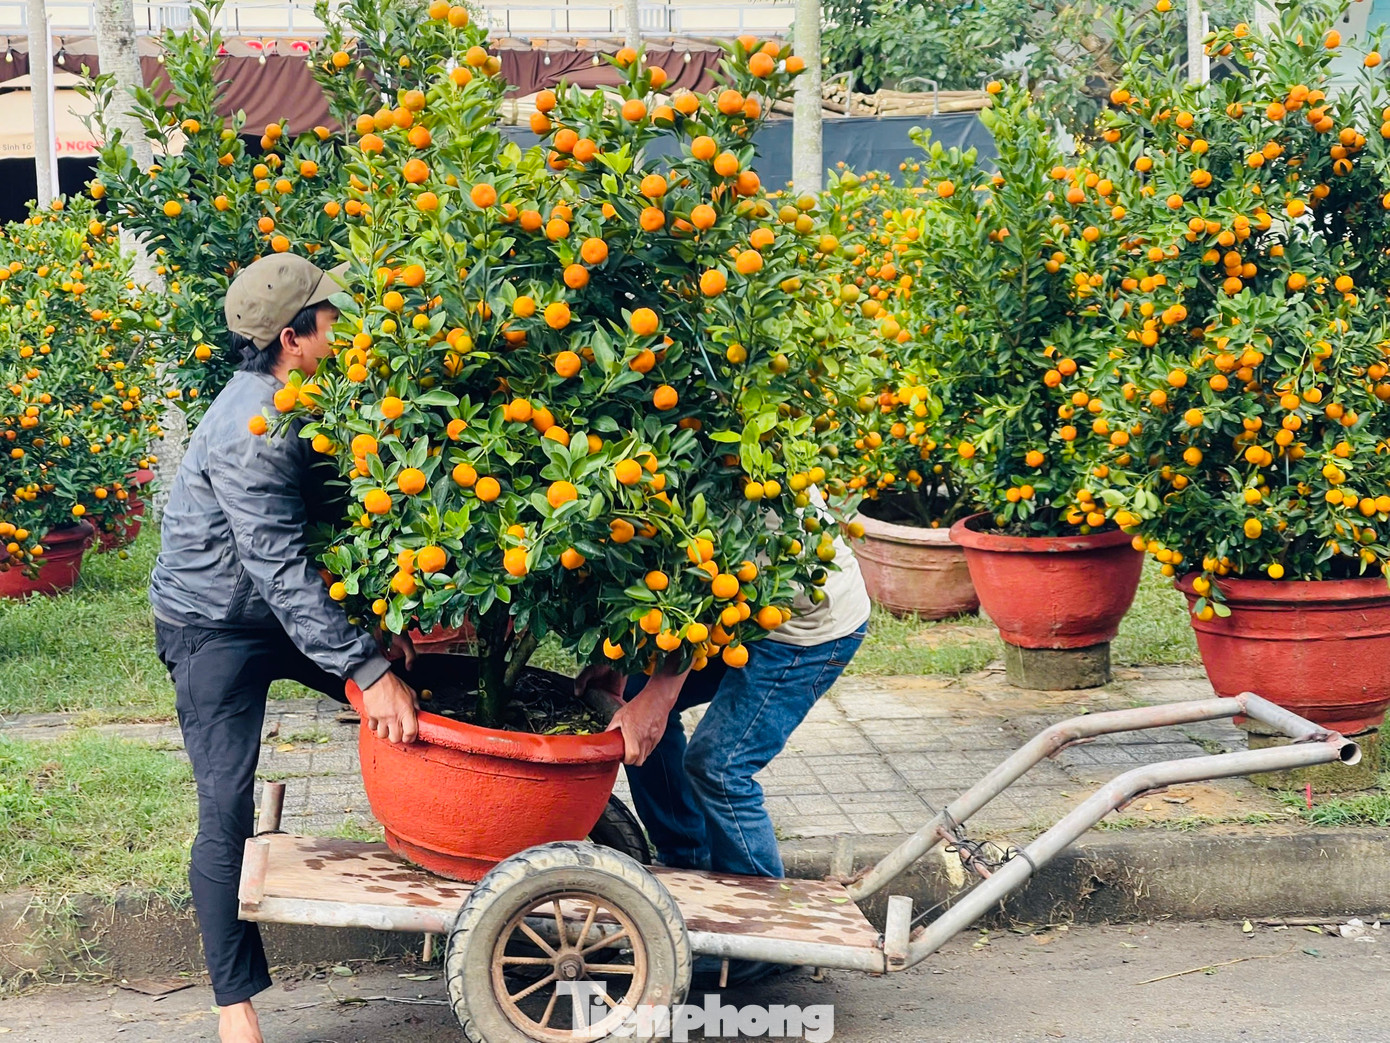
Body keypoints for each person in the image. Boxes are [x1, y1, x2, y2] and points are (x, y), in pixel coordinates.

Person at [149, 254, 420, 1043]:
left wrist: (381, 640)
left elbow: (322, 530)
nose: (345, 327)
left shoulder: (300, 398)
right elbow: (275, 560)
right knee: (224, 804)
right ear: (295, 338)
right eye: (332, 319)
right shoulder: (253, 427)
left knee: (409, 677)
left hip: (276, 610)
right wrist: (362, 667)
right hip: (210, 627)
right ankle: (234, 1004)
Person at [582, 516, 870, 985]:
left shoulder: (718, 467)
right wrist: (616, 664)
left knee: (718, 765)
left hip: (804, 631)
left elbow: (706, 584)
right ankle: (688, 862)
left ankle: (766, 934)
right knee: (640, 700)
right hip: (736, 614)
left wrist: (657, 698)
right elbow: (671, 578)